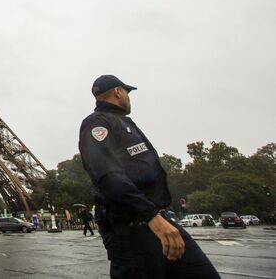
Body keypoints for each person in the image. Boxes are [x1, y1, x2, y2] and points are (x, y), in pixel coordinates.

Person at [78, 75, 220, 279]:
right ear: (118, 91)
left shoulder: (122, 123)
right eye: (127, 92)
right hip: (133, 227)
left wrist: (156, 216)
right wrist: (151, 217)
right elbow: (108, 176)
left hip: (156, 218)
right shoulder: (96, 123)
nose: (129, 97)